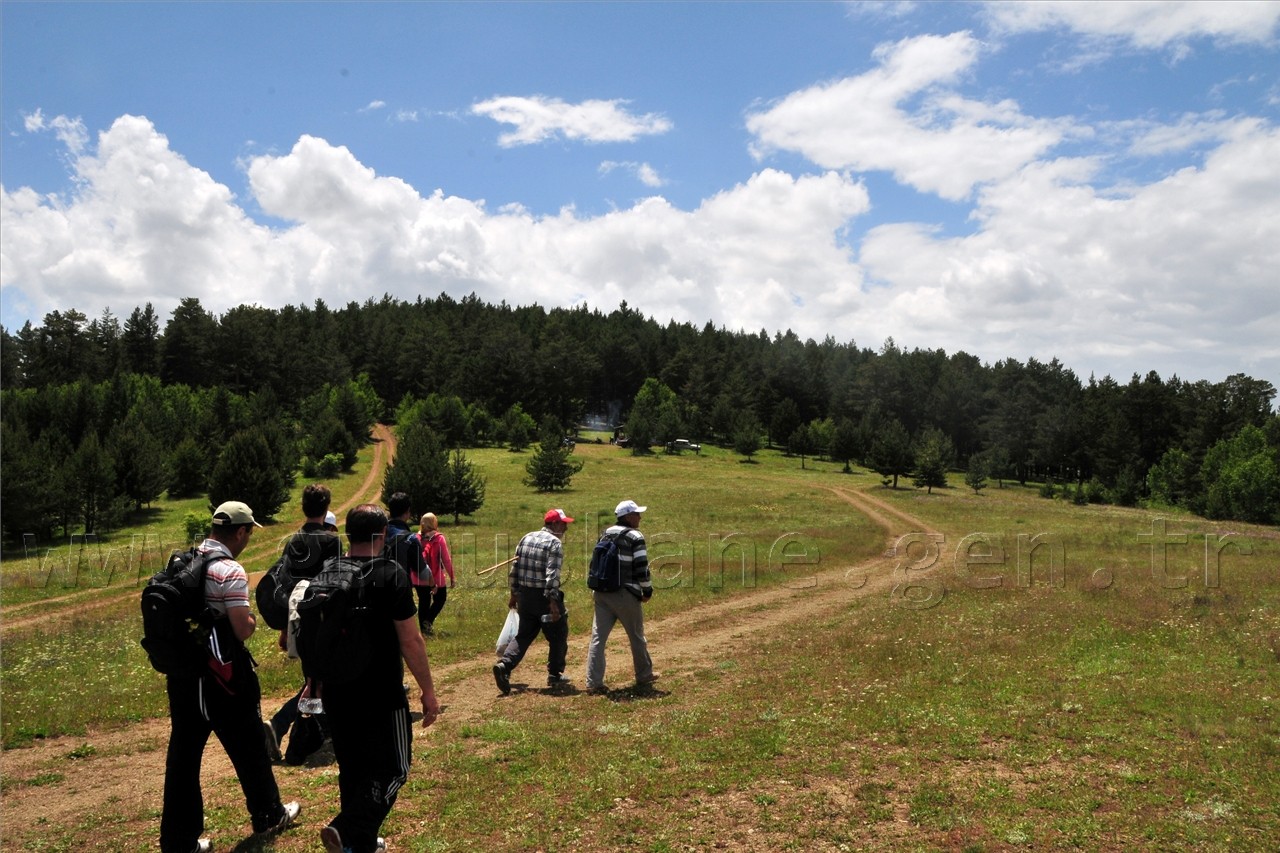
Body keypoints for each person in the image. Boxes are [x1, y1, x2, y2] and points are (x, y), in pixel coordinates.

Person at [160, 501, 300, 853]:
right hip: (224, 676)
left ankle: (179, 842)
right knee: (250, 745)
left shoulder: (179, 562)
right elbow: (241, 629)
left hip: (183, 676)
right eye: (249, 532)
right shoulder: (229, 570)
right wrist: (251, 621)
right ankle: (269, 814)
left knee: (183, 758)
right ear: (240, 532)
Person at [319, 504, 440, 853]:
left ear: (348, 534)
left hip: (337, 690)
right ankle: (346, 828)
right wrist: (428, 692)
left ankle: (360, 844)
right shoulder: (390, 574)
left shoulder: (329, 571)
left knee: (353, 768)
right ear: (383, 535)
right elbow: (411, 640)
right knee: (394, 769)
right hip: (381, 692)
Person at [264, 484, 342, 764]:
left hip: (297, 619)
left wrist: (286, 628)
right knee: (317, 681)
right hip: (321, 620)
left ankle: (311, 730)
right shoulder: (331, 541)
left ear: (303, 507)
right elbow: (334, 584)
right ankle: (287, 727)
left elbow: (285, 587)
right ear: (326, 506)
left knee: (315, 679)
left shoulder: (292, 541)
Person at [492, 508, 573, 695]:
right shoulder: (554, 544)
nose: (566, 528)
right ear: (554, 524)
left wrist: (514, 593)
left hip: (525, 597)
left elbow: (515, 568)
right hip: (544, 597)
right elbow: (552, 574)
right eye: (563, 524)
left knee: (524, 635)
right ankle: (555, 674)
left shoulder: (526, 537)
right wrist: (552, 601)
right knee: (558, 634)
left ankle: (504, 665)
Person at [585, 499, 658, 694]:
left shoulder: (605, 533)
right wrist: (647, 590)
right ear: (628, 516)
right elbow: (641, 566)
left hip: (601, 593)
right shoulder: (635, 536)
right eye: (637, 514)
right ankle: (644, 676)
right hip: (626, 593)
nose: (640, 517)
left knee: (598, 638)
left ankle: (593, 682)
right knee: (636, 636)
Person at [417, 512, 455, 635]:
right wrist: (452, 577)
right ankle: (428, 621)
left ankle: (424, 630)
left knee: (423, 601)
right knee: (440, 599)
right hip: (435, 577)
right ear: (434, 522)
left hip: (419, 577)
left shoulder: (416, 538)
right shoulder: (439, 538)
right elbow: (446, 559)